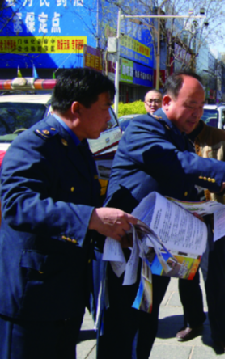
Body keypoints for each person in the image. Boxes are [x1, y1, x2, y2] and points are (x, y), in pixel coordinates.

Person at [96, 71, 225, 359]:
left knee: (146, 325)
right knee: (122, 331)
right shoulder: (142, 128)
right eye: (190, 105)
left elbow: (185, 182)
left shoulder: (178, 137)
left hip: (156, 252)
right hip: (126, 251)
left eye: (201, 106)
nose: (197, 114)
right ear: (167, 101)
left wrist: (208, 205)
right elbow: (179, 163)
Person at [0, 68, 137, 359]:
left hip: (64, 295)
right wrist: (91, 219)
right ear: (77, 108)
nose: (108, 116)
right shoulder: (35, 144)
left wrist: (112, 230)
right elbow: (17, 205)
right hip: (31, 296)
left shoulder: (78, 145)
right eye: (104, 108)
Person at [174, 118, 225, 354]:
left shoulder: (220, 136)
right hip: (182, 216)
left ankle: (222, 333)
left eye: (197, 106)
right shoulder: (174, 136)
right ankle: (193, 320)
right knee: (185, 273)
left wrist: (222, 184)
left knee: (215, 276)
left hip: (212, 216)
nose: (191, 114)